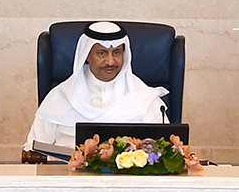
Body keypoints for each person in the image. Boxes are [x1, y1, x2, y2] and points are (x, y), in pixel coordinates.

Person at [25, 22, 170, 147]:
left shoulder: (145, 98)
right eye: (102, 53)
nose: (110, 61)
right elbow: (32, 148)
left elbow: (166, 149)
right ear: (87, 54)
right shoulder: (60, 97)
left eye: (117, 52)